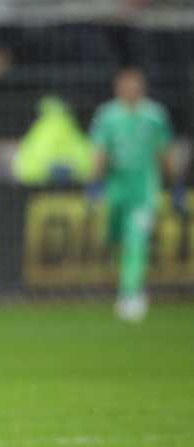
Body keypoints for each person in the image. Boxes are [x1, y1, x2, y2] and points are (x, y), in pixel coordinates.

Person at [89, 67, 175, 322]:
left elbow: (164, 153)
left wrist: (175, 184)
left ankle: (131, 295)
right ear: (118, 88)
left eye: (135, 85)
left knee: (136, 241)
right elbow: (100, 152)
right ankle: (125, 284)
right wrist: (94, 183)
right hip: (115, 192)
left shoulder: (155, 116)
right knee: (115, 239)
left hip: (145, 192)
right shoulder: (107, 116)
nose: (131, 89)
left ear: (142, 87)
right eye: (126, 85)